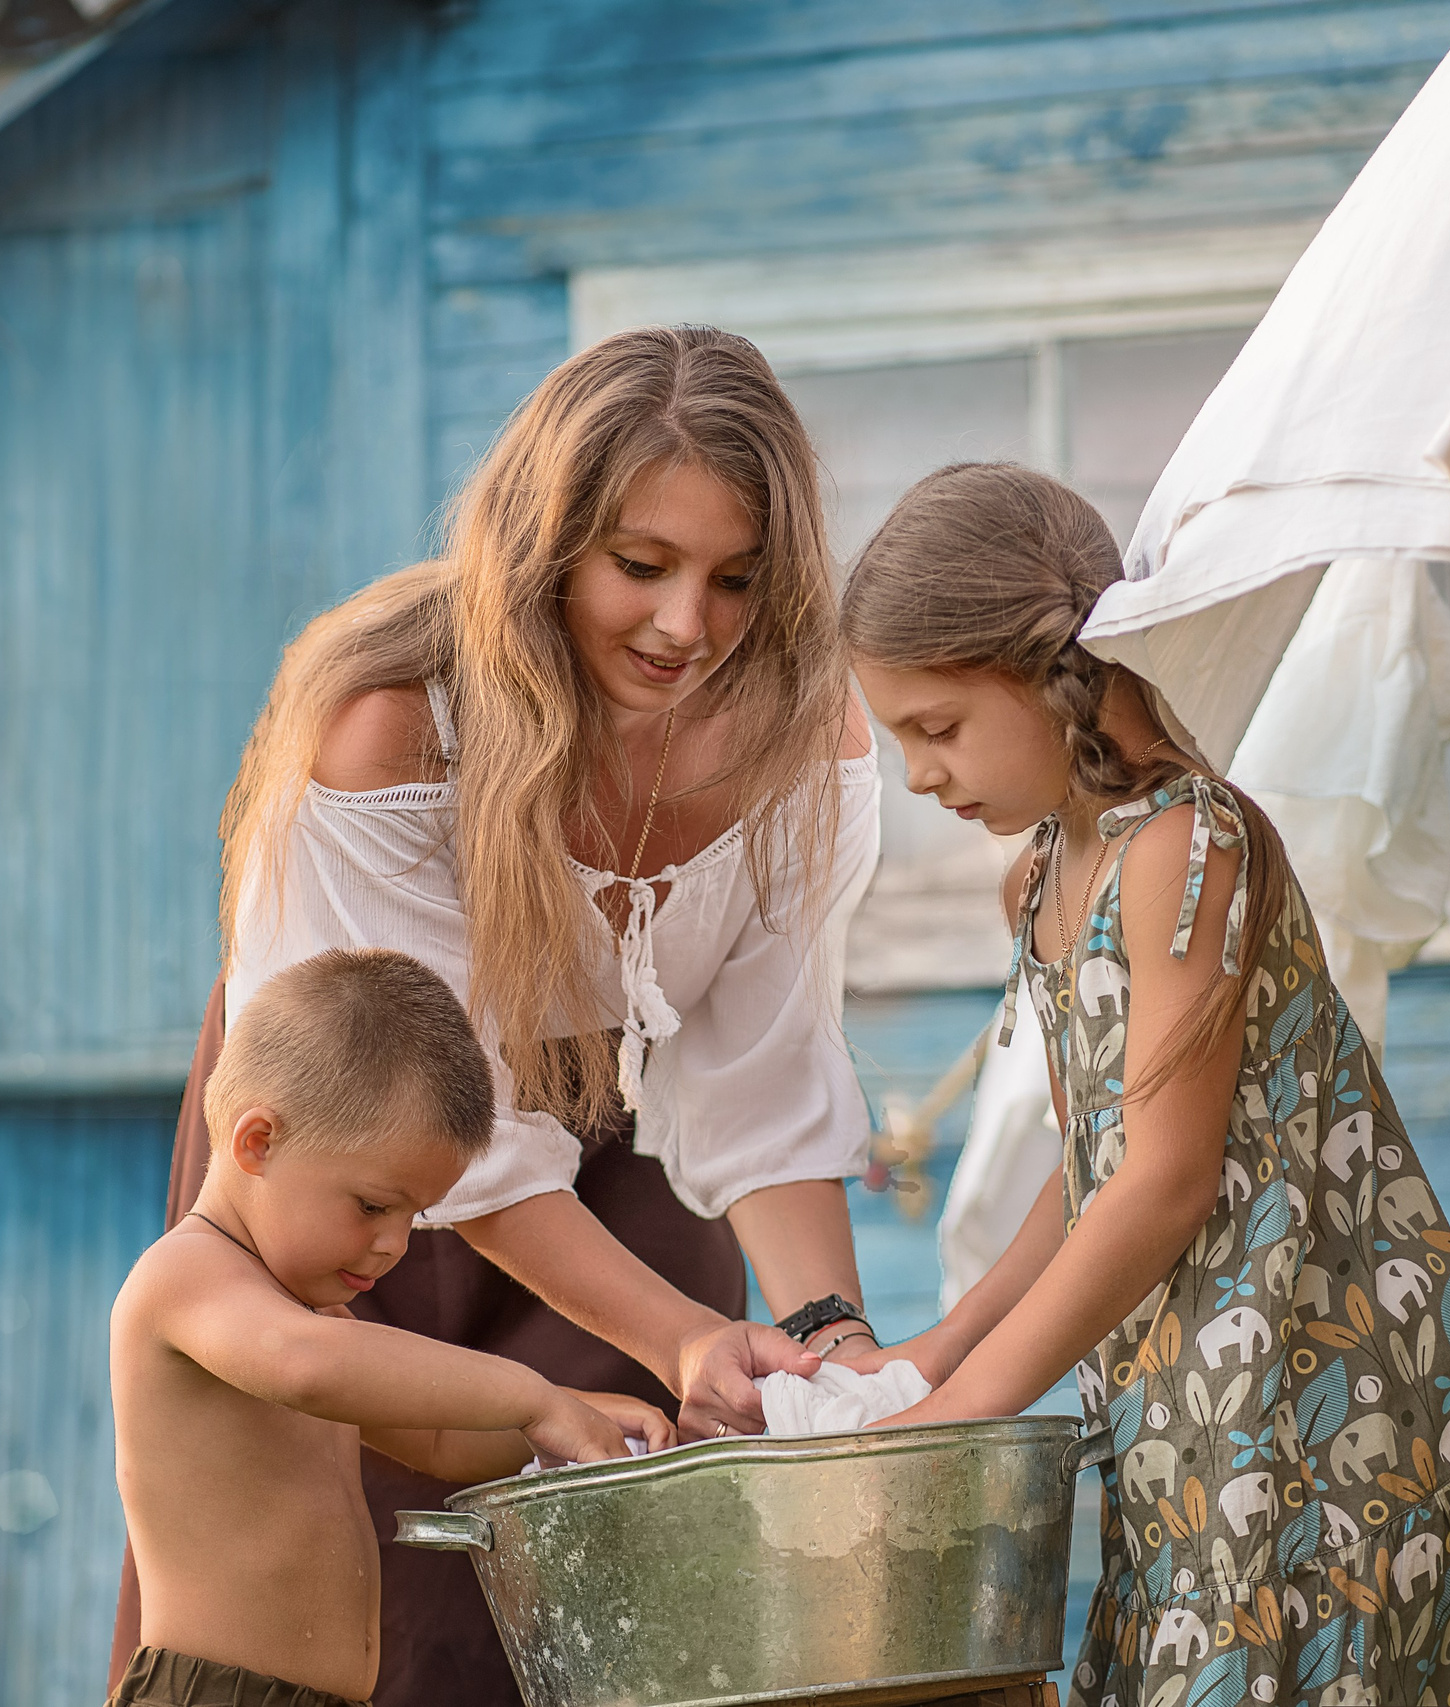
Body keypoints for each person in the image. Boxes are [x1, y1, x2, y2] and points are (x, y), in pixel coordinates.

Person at [113, 324, 885, 1704]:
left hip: (619, 1127)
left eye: (736, 580)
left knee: (628, 1526)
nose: (684, 626)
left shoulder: (797, 736)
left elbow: (763, 1074)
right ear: (545, 545)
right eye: (639, 566)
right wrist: (667, 1335)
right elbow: (459, 1142)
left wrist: (825, 1333)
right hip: (366, 1126)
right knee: (374, 1576)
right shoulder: (394, 727)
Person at [839, 464, 1450, 1706]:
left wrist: (977, 1405)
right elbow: (1095, 1165)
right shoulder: (1044, 874)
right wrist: (947, 1349)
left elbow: (1162, 1186)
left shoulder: (1186, 845)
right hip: (1191, 1426)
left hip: (1328, 1413)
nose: (920, 775)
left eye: (936, 728)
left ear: (1053, 672)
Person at [109, 948, 672, 1707]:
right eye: (374, 1204)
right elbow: (306, 1365)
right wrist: (531, 1394)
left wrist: (575, 1418)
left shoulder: (317, 1318)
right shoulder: (187, 1278)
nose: (394, 1243)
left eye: (415, 1215)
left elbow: (438, 1438)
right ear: (257, 1142)